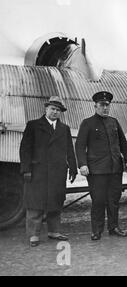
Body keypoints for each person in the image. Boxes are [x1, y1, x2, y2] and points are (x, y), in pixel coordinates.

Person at [19, 96, 77, 247]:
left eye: (58, 110)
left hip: (57, 172)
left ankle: (54, 231)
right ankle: (33, 235)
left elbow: (69, 149)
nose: (55, 112)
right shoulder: (33, 125)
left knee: (55, 202)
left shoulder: (64, 129)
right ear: (46, 109)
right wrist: (26, 169)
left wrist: (73, 168)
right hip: (37, 171)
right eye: (53, 109)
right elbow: (25, 148)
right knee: (35, 203)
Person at [75, 91, 127, 241]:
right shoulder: (87, 123)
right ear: (95, 106)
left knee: (113, 200)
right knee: (98, 200)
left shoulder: (114, 122)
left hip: (114, 169)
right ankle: (96, 230)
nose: (105, 108)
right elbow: (80, 146)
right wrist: (82, 164)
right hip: (97, 170)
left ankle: (113, 227)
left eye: (107, 105)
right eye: (102, 105)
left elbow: (123, 142)